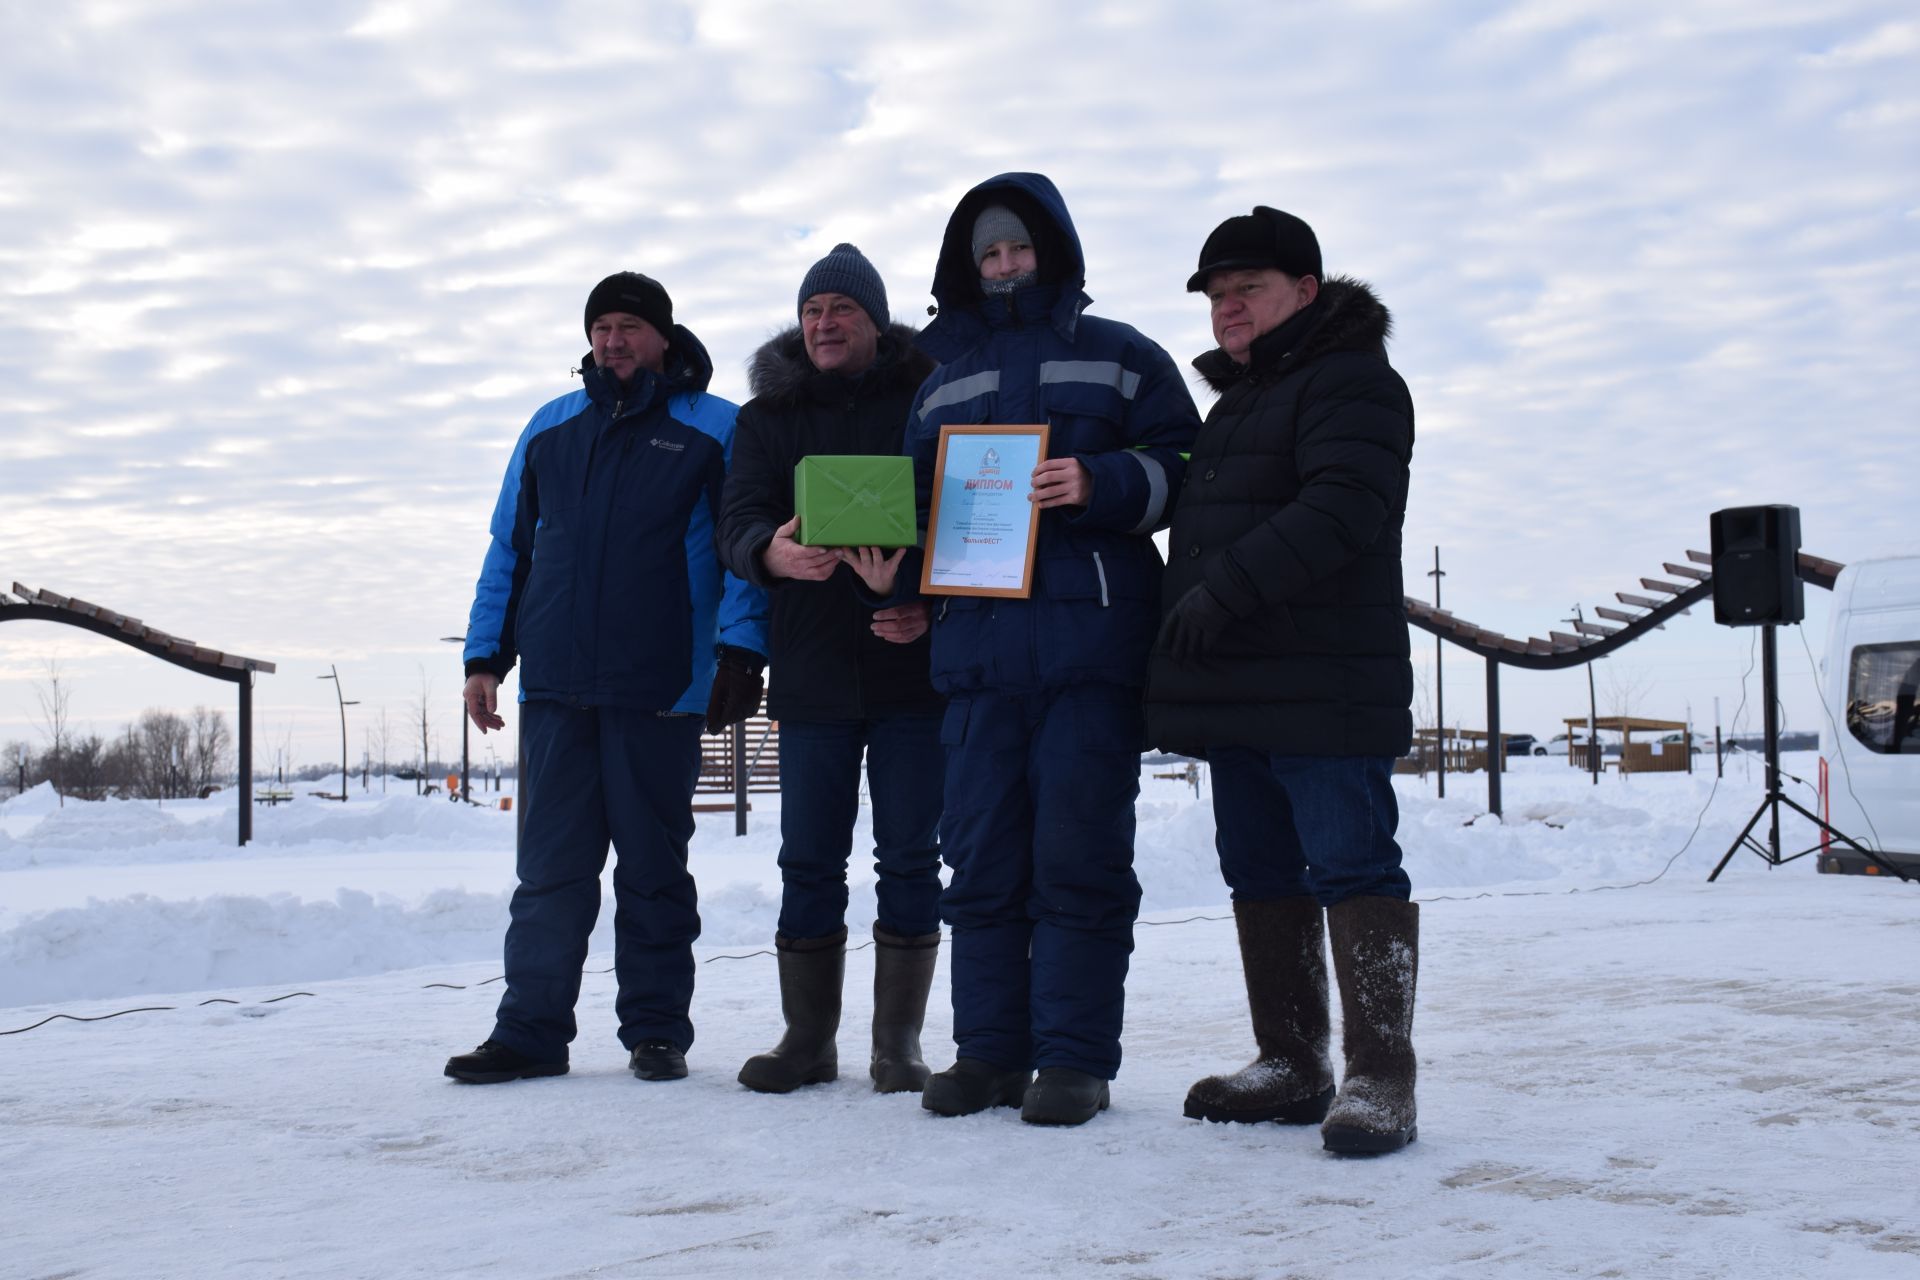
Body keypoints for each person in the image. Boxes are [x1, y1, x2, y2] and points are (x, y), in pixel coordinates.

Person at [890, 173, 1200, 1126]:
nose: (1005, 266)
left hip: (1086, 654)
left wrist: (1100, 481)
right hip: (976, 660)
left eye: (1019, 248)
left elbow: (1190, 467)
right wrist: (896, 584)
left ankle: (1072, 1059)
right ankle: (987, 1052)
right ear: (967, 266)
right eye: (988, 253)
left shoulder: (1123, 359)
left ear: (1053, 251)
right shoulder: (942, 381)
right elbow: (914, 507)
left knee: (1077, 855)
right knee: (979, 861)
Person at [445, 271, 769, 1085]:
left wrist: (740, 650)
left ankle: (656, 1032)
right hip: (555, 686)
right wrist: (486, 656)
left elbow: (746, 554)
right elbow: (510, 551)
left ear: (663, 336)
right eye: (601, 327)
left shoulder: (714, 430)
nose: (613, 341)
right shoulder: (550, 428)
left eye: (629, 326)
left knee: (654, 873)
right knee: (548, 872)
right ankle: (530, 1031)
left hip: (659, 685)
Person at [1144, 207, 1419, 1154]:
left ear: (1305, 291)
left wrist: (1226, 588)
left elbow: (1345, 506)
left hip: (1325, 686)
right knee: (1259, 872)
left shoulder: (1355, 383)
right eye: (1218, 296)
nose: (1228, 309)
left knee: (1353, 868)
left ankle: (1381, 1076)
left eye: (1247, 290)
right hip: (1239, 686)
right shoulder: (1237, 404)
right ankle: (1293, 1061)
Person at [715, 243, 946, 1096]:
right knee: (808, 857)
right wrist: (767, 552)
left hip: (909, 667)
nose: (824, 323)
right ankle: (806, 1038)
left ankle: (898, 1045)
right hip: (811, 672)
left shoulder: (928, 400)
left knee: (910, 856)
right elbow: (735, 517)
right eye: (813, 310)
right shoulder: (766, 418)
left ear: (874, 322)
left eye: (841, 310)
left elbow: (956, 511)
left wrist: (919, 590)